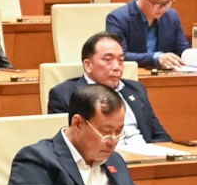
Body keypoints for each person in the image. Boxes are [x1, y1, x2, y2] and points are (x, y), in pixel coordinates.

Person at [8, 82, 162, 185]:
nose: (113, 141)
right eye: (105, 132)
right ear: (78, 123)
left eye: (119, 132)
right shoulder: (35, 160)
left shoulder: (114, 160)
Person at [44, 32, 173, 146]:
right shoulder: (64, 94)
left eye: (121, 60)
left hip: (145, 157)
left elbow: (161, 137)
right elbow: (66, 145)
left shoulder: (136, 89)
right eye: (108, 60)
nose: (117, 67)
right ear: (88, 65)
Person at [104, 0, 189, 71]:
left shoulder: (171, 16)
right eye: (157, 3)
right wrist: (156, 58)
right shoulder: (117, 19)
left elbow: (183, 51)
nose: (163, 8)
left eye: (168, 2)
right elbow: (119, 56)